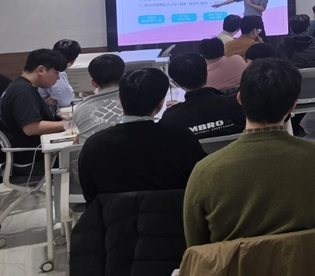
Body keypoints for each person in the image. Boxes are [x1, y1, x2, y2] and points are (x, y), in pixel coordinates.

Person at [183, 58, 315, 246]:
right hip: (303, 263)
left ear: (239, 99)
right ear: (292, 106)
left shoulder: (205, 170)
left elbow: (196, 246)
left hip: (231, 265)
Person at [77, 68, 206, 204]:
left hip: (114, 216)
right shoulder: (181, 138)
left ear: (120, 97)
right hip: (177, 214)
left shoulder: (94, 145)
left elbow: (90, 196)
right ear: (161, 103)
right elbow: (199, 181)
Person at [0, 49, 67, 166]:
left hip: (31, 152)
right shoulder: (23, 91)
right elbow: (31, 128)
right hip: (32, 159)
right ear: (41, 70)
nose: (58, 78)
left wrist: (58, 117)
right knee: (80, 156)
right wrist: (69, 124)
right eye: (56, 73)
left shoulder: (20, 86)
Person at [163, 53, 247, 140]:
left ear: (176, 83)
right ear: (206, 71)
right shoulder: (238, 105)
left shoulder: (170, 119)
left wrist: (179, 108)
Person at [71, 54, 126, 142]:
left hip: (93, 150)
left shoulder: (80, 109)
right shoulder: (137, 101)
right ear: (124, 77)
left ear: (93, 83)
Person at [39, 38, 80, 108]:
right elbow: (65, 99)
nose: (57, 77)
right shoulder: (56, 69)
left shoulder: (47, 64)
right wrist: (58, 99)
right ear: (73, 59)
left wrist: (56, 98)